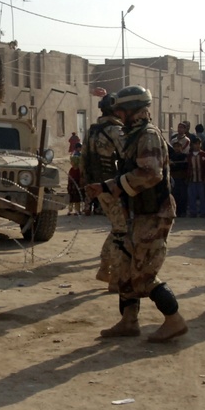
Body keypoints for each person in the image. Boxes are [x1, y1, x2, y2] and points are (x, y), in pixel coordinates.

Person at [85, 85, 188, 343]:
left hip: (154, 214)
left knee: (142, 275)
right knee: (124, 270)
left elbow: (151, 174)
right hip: (138, 211)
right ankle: (129, 321)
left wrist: (114, 186)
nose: (118, 114)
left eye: (121, 109)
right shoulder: (134, 135)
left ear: (133, 110)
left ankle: (174, 320)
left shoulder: (148, 136)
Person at [83, 94, 125, 291]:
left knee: (118, 228)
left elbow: (84, 160)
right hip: (113, 187)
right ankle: (113, 275)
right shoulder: (116, 131)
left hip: (98, 186)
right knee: (122, 231)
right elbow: (128, 157)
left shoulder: (92, 131)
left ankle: (105, 268)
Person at [169, 121, 191, 218]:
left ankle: (183, 211)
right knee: (175, 195)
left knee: (183, 195)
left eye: (182, 128)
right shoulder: (173, 140)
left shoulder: (187, 140)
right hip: (174, 176)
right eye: (179, 127)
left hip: (182, 175)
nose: (180, 129)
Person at [185, 136, 205, 218]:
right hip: (192, 179)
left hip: (201, 179)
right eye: (195, 144)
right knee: (192, 197)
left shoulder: (203, 154)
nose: (197, 146)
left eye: (199, 144)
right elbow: (188, 167)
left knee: (202, 196)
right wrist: (187, 177)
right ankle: (193, 212)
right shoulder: (189, 155)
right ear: (192, 145)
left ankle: (203, 212)